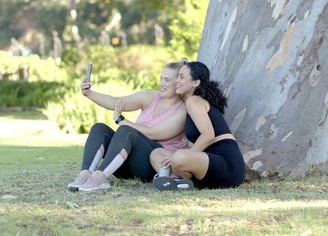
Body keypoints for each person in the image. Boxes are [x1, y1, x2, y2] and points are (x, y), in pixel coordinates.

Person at [67, 60, 188, 192]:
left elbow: (152, 133)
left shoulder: (183, 110)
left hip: (151, 166)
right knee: (99, 128)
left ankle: (100, 177)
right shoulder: (151, 97)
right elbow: (117, 102)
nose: (162, 84)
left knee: (127, 131)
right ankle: (85, 173)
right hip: (123, 164)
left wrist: (121, 121)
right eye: (161, 79)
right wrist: (89, 93)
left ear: (179, 83)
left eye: (167, 80)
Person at [150, 61, 245, 190]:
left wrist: (185, 155)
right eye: (177, 76)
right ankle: (175, 182)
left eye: (181, 77)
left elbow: (208, 135)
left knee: (179, 157)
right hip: (205, 165)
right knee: (157, 153)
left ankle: (169, 178)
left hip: (228, 166)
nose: (177, 80)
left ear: (195, 83)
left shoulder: (194, 101)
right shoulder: (190, 103)